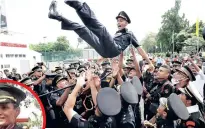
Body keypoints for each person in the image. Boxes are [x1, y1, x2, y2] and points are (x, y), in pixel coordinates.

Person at [48, 0, 154, 70]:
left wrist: (150, 63)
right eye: (118, 21)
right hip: (105, 51)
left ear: (127, 23)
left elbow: (140, 49)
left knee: (102, 29)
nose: (119, 23)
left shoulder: (129, 34)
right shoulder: (116, 34)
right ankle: (57, 16)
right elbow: (106, 46)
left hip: (115, 50)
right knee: (83, 29)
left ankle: (77, 5)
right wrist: (99, 61)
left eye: (121, 21)